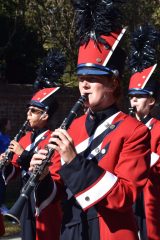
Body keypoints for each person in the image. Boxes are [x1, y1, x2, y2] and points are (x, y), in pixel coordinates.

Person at [30, 1, 151, 239]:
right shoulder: (72, 127)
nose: (84, 84)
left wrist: (74, 161)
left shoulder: (133, 130)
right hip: (71, 230)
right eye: (80, 77)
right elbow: (58, 192)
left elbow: (125, 195)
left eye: (92, 78)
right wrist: (43, 179)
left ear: (113, 82)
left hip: (109, 230)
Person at [128, 25, 160, 240]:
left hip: (152, 194)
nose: (133, 101)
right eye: (131, 97)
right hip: (130, 193)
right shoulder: (126, 127)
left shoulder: (158, 127)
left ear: (151, 100)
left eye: (139, 97)